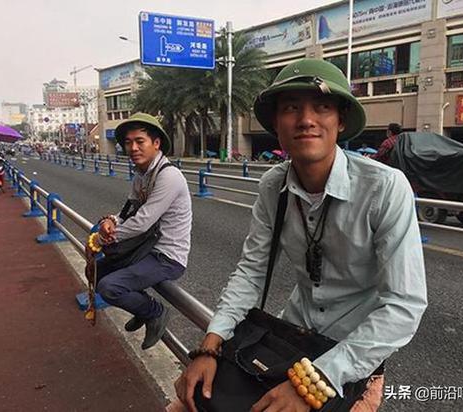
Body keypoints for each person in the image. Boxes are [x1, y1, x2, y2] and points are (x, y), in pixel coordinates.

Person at [174, 59, 427, 412]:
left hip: (351, 358)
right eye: (291, 108)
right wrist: (210, 346)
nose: (306, 120)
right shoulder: (273, 185)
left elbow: (404, 304)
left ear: (340, 121)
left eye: (321, 107)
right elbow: (252, 271)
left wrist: (319, 379)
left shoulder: (384, 188)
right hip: (287, 340)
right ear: (277, 125)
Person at [88, 112, 192, 350]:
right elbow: (128, 212)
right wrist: (112, 220)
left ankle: (155, 312)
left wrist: (103, 239)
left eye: (139, 141)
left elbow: (142, 221)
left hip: (167, 256)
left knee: (109, 287)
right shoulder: (141, 175)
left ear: (156, 143)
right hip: (145, 249)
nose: (133, 148)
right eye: (128, 142)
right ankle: (141, 308)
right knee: (95, 271)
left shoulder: (169, 176)